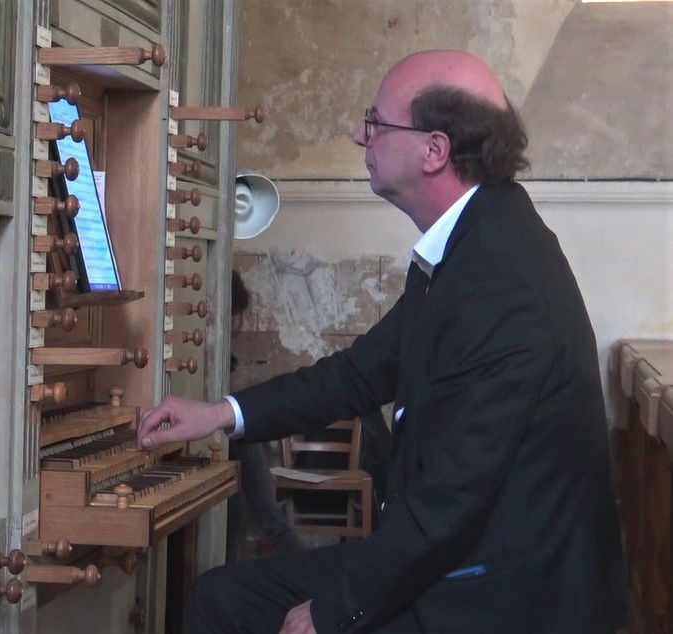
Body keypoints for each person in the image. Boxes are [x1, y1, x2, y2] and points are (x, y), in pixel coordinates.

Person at [137, 50, 628, 633]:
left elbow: (453, 499)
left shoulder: (500, 282)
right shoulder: (478, 238)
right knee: (225, 598)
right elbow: (358, 374)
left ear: (433, 150)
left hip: (505, 600)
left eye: (375, 122)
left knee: (239, 609)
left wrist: (332, 611)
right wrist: (222, 414)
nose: (356, 134)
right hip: (470, 564)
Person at [226, 269, 304, 561]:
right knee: (238, 516)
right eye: (234, 317)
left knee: (264, 516)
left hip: (237, 429)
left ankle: (310, 581)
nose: (236, 326)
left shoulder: (225, 356)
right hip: (231, 430)